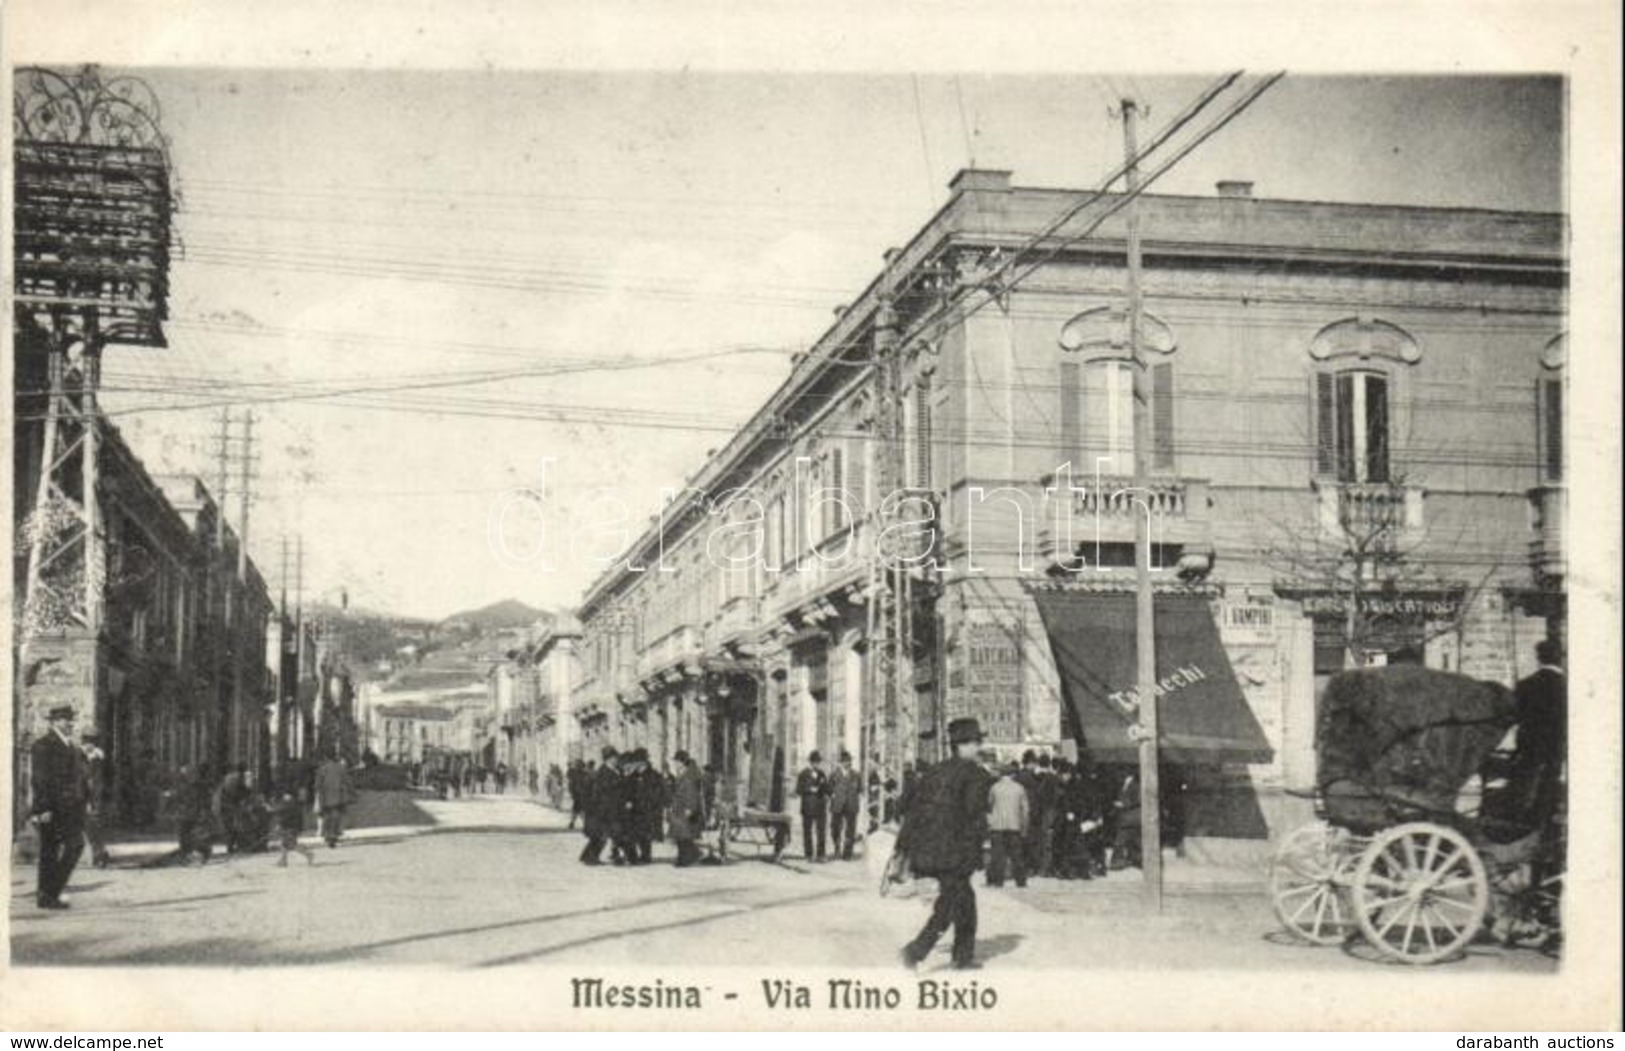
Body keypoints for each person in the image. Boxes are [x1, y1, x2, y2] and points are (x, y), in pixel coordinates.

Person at [899, 718, 994, 971]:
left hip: (930, 849)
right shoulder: (975, 774)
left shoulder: (934, 771)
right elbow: (975, 816)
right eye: (975, 742)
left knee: (965, 902)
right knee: (950, 905)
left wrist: (907, 847)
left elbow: (914, 809)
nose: (978, 747)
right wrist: (979, 852)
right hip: (956, 852)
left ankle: (963, 956)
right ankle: (915, 951)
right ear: (962, 745)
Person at [30, 705, 90, 910]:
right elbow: (39, 779)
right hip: (53, 807)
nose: (69, 723)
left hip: (70, 807)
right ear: (54, 722)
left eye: (70, 719)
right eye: (64, 719)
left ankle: (48, 893)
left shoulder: (70, 746)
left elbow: (79, 778)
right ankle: (48, 894)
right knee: (53, 849)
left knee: (71, 846)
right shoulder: (43, 745)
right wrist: (43, 807)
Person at [1512, 639, 1567, 827]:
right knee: (1550, 786)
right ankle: (1546, 821)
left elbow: (1516, 717)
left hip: (1529, 749)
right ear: (1561, 657)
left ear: (1539, 658)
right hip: (1556, 750)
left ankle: (1523, 820)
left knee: (1525, 786)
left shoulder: (1525, 684)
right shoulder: (1567, 686)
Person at [986, 762, 1029, 888]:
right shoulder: (1020, 788)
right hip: (1014, 825)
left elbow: (989, 805)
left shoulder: (994, 787)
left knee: (998, 855)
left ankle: (998, 880)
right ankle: (1021, 881)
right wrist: (1024, 826)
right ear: (1013, 775)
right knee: (1017, 855)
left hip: (997, 825)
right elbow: (1025, 810)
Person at [580, 747, 622, 865]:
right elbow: (601, 792)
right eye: (614, 757)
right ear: (608, 759)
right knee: (602, 835)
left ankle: (587, 856)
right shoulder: (603, 773)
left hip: (611, 808)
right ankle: (591, 858)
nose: (616, 759)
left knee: (602, 834)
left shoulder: (614, 770)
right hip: (605, 809)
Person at [79, 730, 112, 870]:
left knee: (94, 825)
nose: (89, 746)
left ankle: (99, 854)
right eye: (87, 742)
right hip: (81, 796)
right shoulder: (78, 757)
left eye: (91, 743)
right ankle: (99, 854)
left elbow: (105, 780)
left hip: (96, 797)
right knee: (87, 826)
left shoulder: (100, 759)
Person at [668, 750, 705, 867]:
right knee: (680, 836)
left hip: (684, 809)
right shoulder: (683, 773)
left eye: (676, 761)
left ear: (682, 762)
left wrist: (690, 808)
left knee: (683, 835)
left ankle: (688, 857)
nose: (675, 764)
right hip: (679, 808)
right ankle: (686, 857)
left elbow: (691, 793)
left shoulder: (688, 776)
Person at [314, 751, 355, 849]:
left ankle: (328, 835)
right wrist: (353, 793)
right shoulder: (341, 768)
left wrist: (318, 794)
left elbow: (317, 785)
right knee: (336, 816)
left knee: (327, 816)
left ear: (326, 757)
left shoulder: (322, 769)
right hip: (338, 796)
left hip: (325, 797)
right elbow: (348, 782)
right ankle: (333, 836)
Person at [795, 750, 830, 862]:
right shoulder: (803, 774)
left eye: (818, 762)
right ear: (810, 762)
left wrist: (828, 792)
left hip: (820, 807)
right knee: (807, 831)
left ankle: (821, 854)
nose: (816, 764)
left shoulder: (822, 774)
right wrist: (809, 789)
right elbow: (798, 790)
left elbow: (827, 789)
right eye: (814, 762)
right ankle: (808, 854)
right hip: (808, 807)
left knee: (821, 832)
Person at [828, 751, 862, 860]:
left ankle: (847, 853)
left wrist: (854, 797)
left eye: (849, 761)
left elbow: (860, 789)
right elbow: (829, 789)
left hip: (851, 805)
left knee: (850, 830)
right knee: (835, 828)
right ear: (841, 763)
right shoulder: (834, 775)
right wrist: (833, 795)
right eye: (845, 761)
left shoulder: (856, 775)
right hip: (837, 805)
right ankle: (837, 847)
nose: (848, 763)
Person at [273, 789, 315, 867]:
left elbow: (284, 815)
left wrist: (279, 824)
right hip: (290, 826)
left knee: (291, 845)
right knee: (284, 844)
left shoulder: (286, 803)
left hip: (289, 827)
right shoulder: (291, 802)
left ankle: (308, 854)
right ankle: (283, 861)